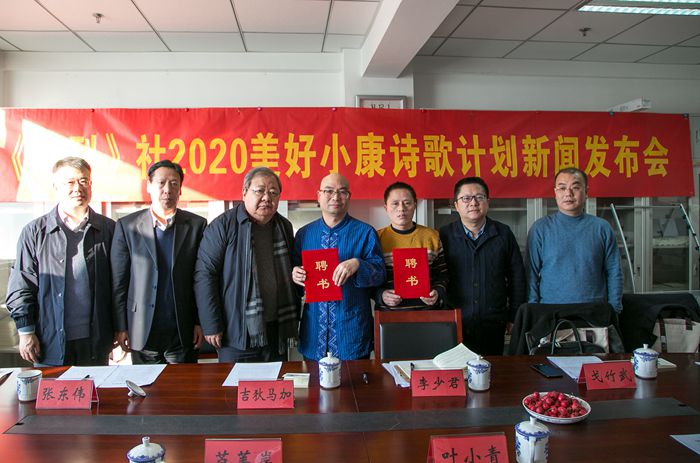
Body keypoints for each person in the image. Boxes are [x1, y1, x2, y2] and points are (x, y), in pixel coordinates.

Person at [6, 157, 116, 366]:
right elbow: (21, 285)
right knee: (53, 388)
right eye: (70, 182)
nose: (78, 188)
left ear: (91, 185)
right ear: (56, 187)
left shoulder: (109, 230)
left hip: (96, 342)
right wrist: (26, 331)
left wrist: (120, 328)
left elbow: (119, 285)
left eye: (84, 181)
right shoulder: (35, 232)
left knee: (95, 388)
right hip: (49, 341)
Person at [194, 167, 299, 362]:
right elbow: (205, 275)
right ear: (244, 192)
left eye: (273, 192)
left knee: (275, 380)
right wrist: (211, 324)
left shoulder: (284, 226)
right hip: (236, 331)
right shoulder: (223, 226)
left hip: (276, 329)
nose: (267, 198)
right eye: (259, 191)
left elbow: (292, 271)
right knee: (237, 381)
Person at [111, 160, 206, 364]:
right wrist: (121, 326)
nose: (167, 190)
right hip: (141, 328)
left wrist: (200, 321)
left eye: (174, 184)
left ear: (180, 190)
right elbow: (119, 281)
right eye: (161, 183)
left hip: (183, 329)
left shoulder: (197, 226)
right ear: (149, 186)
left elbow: (201, 279)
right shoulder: (127, 226)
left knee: (183, 384)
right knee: (145, 384)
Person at [292, 173, 385, 361]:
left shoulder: (365, 232)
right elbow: (294, 274)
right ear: (319, 195)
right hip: (314, 332)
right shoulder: (304, 234)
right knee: (314, 381)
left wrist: (358, 264)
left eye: (342, 192)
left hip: (352, 332)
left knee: (355, 381)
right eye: (329, 191)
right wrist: (295, 274)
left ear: (349, 197)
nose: (335, 197)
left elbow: (380, 274)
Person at [439, 177, 526, 355]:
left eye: (479, 197)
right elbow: (438, 276)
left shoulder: (503, 233)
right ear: (456, 205)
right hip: (454, 322)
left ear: (488, 202)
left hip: (493, 321)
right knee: (456, 369)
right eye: (466, 198)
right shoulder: (444, 235)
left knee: (492, 369)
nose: (473, 203)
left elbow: (517, 277)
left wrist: (514, 316)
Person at [527, 167, 623, 312]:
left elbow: (614, 271)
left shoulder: (602, 228)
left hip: (594, 310)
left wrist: (614, 309)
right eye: (562, 188)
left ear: (586, 192)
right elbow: (531, 274)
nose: (568, 193)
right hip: (551, 311)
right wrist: (533, 310)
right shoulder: (540, 229)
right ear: (555, 193)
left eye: (575, 187)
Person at [375, 181, 448, 310]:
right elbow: (369, 278)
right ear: (386, 208)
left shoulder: (432, 236)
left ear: (415, 205)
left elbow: (443, 274)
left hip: (428, 313)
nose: (401, 208)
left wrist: (438, 292)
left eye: (407, 203)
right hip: (389, 315)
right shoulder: (376, 238)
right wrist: (380, 295)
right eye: (395, 203)